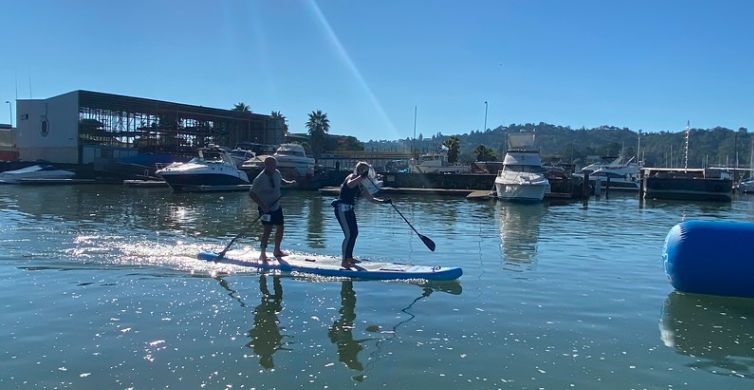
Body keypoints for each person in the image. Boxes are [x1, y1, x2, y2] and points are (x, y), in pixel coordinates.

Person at [332, 161, 391, 268]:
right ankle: (344, 261)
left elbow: (371, 199)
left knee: (354, 233)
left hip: (349, 210)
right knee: (349, 235)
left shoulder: (360, 184)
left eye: (366, 171)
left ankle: (349, 257)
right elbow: (350, 185)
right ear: (358, 170)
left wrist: (383, 202)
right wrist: (360, 176)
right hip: (341, 209)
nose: (365, 173)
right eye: (363, 171)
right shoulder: (352, 176)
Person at [249, 156, 295, 262]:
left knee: (280, 227)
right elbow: (252, 193)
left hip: (276, 206)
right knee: (268, 230)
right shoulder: (260, 178)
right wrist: (263, 206)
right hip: (265, 209)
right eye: (272, 165)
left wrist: (289, 183)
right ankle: (262, 254)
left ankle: (277, 250)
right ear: (266, 165)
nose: (274, 167)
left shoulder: (276, 172)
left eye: (275, 165)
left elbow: (281, 181)